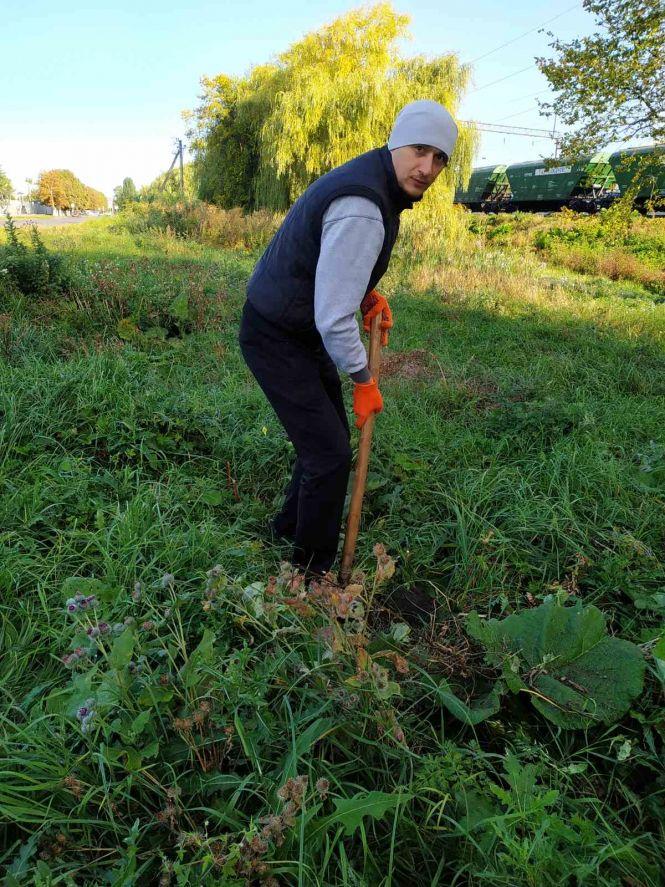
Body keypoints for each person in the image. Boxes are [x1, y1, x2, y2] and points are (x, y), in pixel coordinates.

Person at [239, 99, 458, 579]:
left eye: (440, 158)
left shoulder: (373, 181)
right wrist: (362, 379)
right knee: (330, 454)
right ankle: (309, 573)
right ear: (397, 143)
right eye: (420, 150)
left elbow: (330, 264)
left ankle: (286, 529)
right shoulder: (364, 206)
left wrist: (363, 293)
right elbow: (333, 320)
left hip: (292, 319)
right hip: (277, 332)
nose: (428, 168)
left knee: (326, 441)